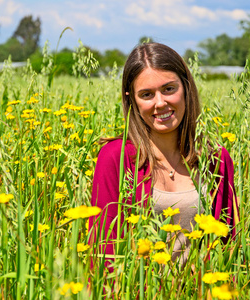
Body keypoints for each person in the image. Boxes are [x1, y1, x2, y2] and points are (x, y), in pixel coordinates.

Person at [89, 42, 239, 271]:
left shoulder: (216, 159)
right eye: (147, 94)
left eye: (169, 89)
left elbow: (231, 245)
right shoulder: (115, 158)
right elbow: (103, 252)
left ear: (186, 88)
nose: (160, 103)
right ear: (133, 101)